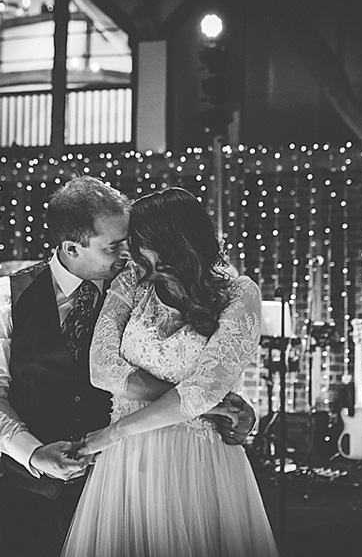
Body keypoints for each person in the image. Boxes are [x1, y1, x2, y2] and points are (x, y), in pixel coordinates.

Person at [0, 177, 255, 557]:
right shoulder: (2, 299)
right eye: (115, 246)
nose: (128, 255)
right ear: (72, 246)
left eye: (131, 242)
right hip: (31, 492)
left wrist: (213, 401)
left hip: (130, 483)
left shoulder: (142, 285)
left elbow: (194, 359)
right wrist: (33, 453)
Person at [61, 187, 280, 557]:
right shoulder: (131, 283)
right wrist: (207, 406)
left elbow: (204, 390)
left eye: (139, 242)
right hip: (130, 464)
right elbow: (102, 369)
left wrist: (111, 435)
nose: (130, 251)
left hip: (197, 459)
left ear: (172, 242)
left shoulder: (238, 294)